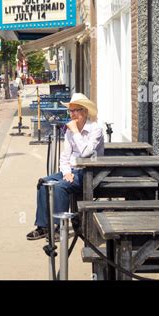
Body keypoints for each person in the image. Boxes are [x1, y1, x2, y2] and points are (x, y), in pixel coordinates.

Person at [26, 93, 104, 240]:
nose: (72, 114)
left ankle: (58, 228)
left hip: (89, 173)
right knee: (43, 183)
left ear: (85, 111)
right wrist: (67, 172)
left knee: (60, 186)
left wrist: (75, 131)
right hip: (72, 171)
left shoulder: (95, 130)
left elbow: (86, 153)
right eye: (71, 111)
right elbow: (65, 157)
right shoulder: (69, 130)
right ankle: (43, 226)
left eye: (76, 110)